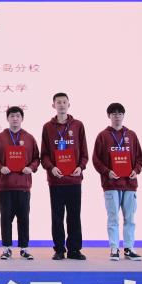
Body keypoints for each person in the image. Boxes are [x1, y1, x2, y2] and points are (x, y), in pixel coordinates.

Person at [92, 102, 142, 261]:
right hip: (111, 184)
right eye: (114, 114)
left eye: (120, 113)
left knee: (130, 218)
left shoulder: (131, 135)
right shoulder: (103, 136)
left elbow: (139, 158)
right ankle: (114, 248)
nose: (117, 116)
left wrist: (136, 170)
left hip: (129, 184)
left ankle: (129, 248)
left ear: (123, 115)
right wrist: (107, 172)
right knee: (113, 217)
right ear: (109, 116)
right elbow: (96, 160)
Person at [40, 92, 89, 260]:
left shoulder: (78, 125)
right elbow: (44, 154)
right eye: (58, 102)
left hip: (74, 179)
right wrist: (51, 168)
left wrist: (80, 167)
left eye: (64, 102)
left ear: (69, 104)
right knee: (57, 216)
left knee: (74, 216)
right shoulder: (48, 127)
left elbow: (84, 152)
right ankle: (59, 249)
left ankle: (74, 250)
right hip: (56, 180)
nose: (61, 105)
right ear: (53, 105)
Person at [0, 106, 40, 260]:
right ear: (7, 118)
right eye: (12, 116)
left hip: (23, 185)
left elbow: (36, 159)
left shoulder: (29, 138)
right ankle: (6, 248)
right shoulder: (0, 138)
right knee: (6, 218)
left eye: (18, 116)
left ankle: (24, 248)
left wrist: (30, 168)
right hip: (5, 185)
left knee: (23, 217)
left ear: (22, 118)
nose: (15, 118)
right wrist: (0, 167)